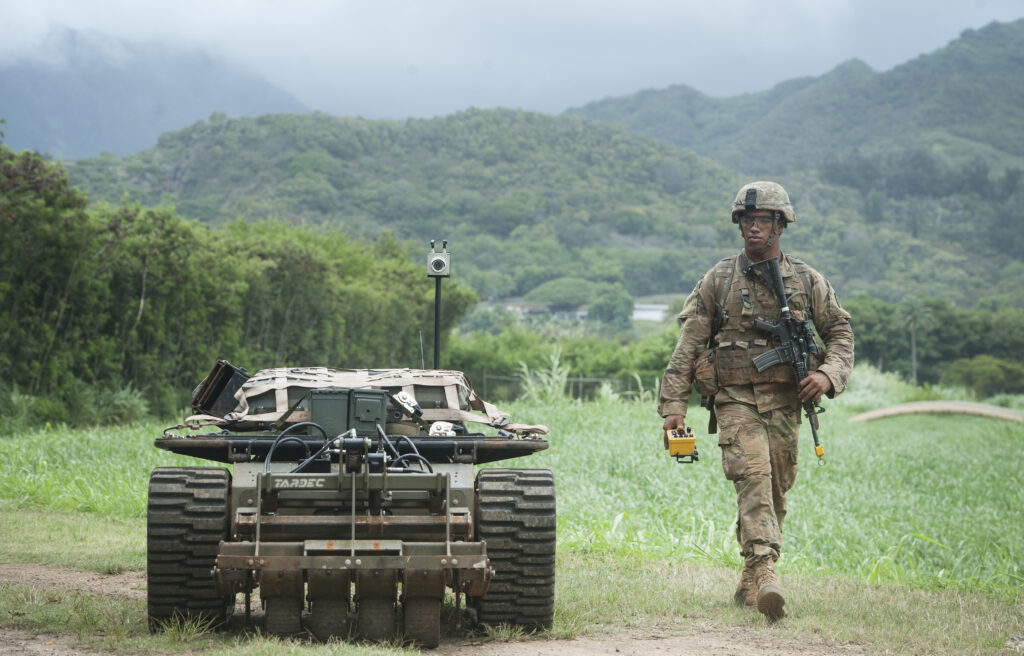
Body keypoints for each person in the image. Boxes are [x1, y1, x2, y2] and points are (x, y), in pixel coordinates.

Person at [658, 181, 854, 620]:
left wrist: (827, 374)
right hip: (734, 399)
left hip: (786, 401)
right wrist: (673, 406)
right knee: (753, 476)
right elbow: (688, 344)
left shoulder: (806, 280)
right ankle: (766, 573)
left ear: (780, 225)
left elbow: (840, 333)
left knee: (776, 488)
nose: (753, 228)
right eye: (747, 220)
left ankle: (750, 574)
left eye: (762, 220)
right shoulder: (720, 278)